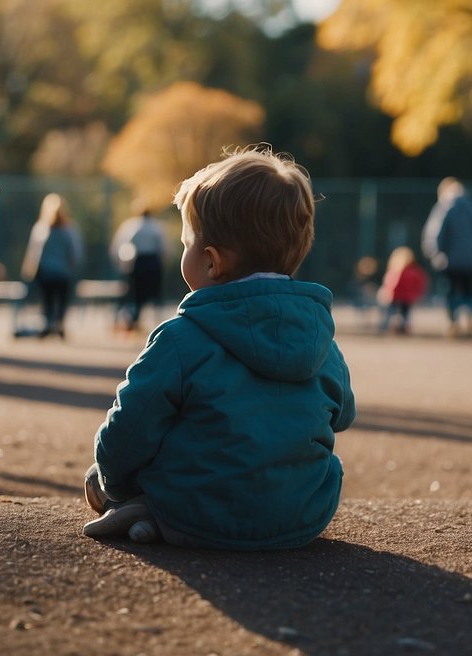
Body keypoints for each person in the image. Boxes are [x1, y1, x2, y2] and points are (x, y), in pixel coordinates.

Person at [82, 147, 355, 549]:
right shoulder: (321, 341)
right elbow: (343, 414)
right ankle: (163, 514)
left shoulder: (180, 338)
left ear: (212, 263)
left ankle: (151, 512)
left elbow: (128, 429)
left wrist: (114, 482)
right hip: (301, 517)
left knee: (99, 477)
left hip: (197, 513)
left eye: (186, 243)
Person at [422, 177, 472, 337]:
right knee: (468, 290)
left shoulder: (444, 207)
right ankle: (470, 312)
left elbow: (435, 233)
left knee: (450, 292)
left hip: (450, 260)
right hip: (471, 259)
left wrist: (435, 252)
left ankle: (453, 322)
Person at [21, 193, 84, 339]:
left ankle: (48, 323)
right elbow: (75, 252)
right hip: (63, 272)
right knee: (62, 300)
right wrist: (73, 265)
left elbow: (34, 252)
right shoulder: (70, 229)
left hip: (46, 272)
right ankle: (59, 323)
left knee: (47, 300)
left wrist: (29, 269)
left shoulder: (41, 228)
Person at [109, 202, 167, 333]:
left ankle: (134, 319)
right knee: (154, 294)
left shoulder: (132, 226)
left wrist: (121, 263)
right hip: (153, 262)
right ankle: (156, 322)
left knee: (135, 293)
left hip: (138, 262)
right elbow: (163, 248)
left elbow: (121, 245)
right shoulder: (156, 227)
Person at [376, 246, 429, 334]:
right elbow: (420, 284)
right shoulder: (415, 271)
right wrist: (416, 294)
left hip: (395, 297)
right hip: (407, 298)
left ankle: (386, 325)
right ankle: (403, 326)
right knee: (405, 313)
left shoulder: (395, 271)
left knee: (390, 312)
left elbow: (390, 284)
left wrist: (386, 293)